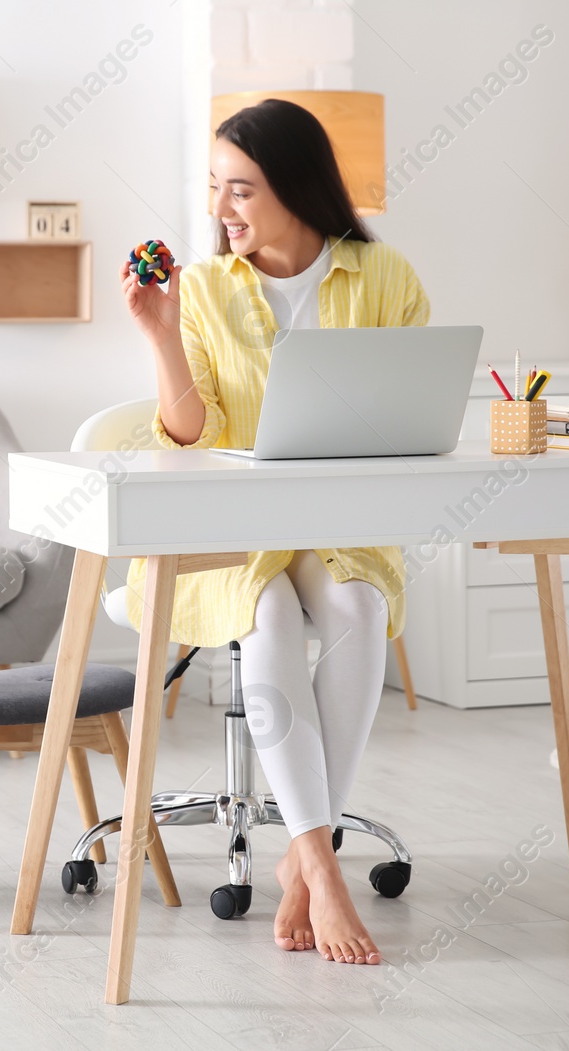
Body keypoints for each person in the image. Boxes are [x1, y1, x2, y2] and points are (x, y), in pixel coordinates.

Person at [120, 98, 429, 965]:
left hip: (340, 524)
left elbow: (405, 411)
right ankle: (323, 873)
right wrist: (160, 335)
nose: (223, 209)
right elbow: (191, 435)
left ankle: (302, 853)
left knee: (361, 609)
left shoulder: (385, 277)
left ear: (296, 187)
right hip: (233, 534)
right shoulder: (206, 290)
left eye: (242, 190)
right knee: (272, 618)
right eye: (216, 188)